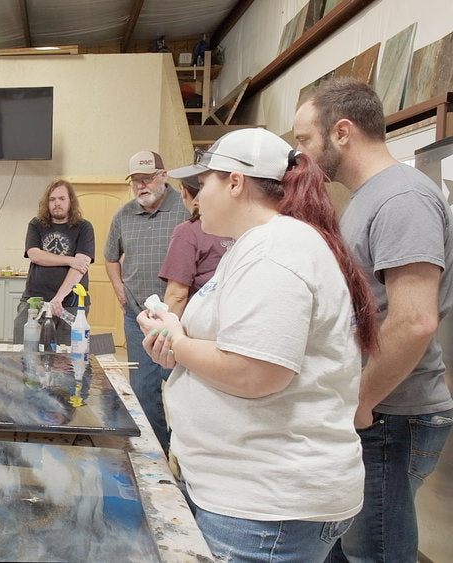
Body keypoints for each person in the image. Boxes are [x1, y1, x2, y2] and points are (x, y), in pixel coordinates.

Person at [138, 127, 379, 561]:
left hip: (265, 507)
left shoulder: (274, 251)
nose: (195, 198)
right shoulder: (255, 246)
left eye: (203, 183)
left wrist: (178, 340)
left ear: (235, 182)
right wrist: (176, 341)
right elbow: (237, 346)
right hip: (248, 493)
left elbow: (256, 371)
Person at [294, 77, 453, 562]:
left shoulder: (401, 199)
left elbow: (415, 321)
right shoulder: (366, 197)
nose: (301, 155)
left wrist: (362, 400)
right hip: (376, 411)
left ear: (342, 132)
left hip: (391, 416)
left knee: (376, 553)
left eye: (304, 140)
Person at [104, 151, 190, 453]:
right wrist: (119, 290)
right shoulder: (123, 215)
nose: (141, 186)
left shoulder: (187, 208)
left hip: (180, 321)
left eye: (148, 178)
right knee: (141, 391)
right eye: (136, 180)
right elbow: (110, 257)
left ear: (163, 176)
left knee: (182, 391)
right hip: (137, 318)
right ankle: (159, 455)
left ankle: (185, 457)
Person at [14, 179, 95, 345]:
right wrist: (70, 260)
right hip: (34, 301)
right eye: (52, 199)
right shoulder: (36, 224)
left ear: (70, 201)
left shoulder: (84, 227)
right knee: (25, 354)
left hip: (69, 305)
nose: (56, 203)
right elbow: (35, 254)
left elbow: (80, 266)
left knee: (65, 362)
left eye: (62, 198)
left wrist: (58, 299)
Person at [158, 174, 234, 316]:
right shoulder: (238, 225)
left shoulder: (188, 231)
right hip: (236, 315)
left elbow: (177, 295)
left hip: (201, 322)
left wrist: (165, 331)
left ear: (184, 192)